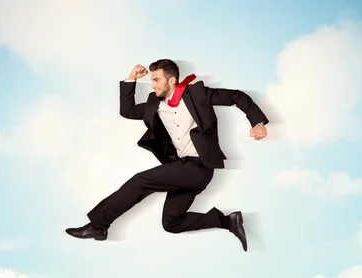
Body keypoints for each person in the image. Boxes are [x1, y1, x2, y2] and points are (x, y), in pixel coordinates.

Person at [65, 59, 269, 251]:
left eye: (156, 79)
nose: (152, 85)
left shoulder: (197, 95)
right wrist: (131, 79)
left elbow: (237, 97)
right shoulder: (156, 104)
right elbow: (127, 111)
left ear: (171, 80)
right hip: (182, 168)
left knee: (140, 181)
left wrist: (257, 123)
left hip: (200, 167)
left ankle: (98, 225)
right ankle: (228, 221)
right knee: (171, 223)